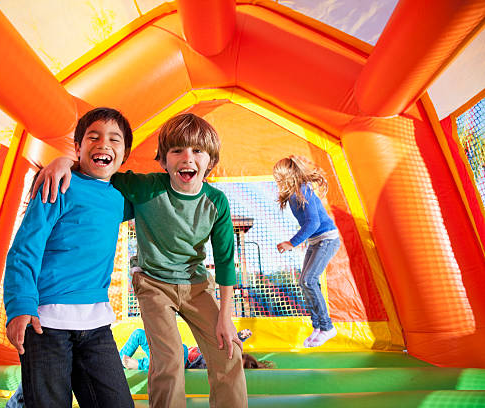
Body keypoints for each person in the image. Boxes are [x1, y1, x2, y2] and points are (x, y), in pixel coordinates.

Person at [33, 113, 248, 408]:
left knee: (229, 352)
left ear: (210, 161)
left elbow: (225, 262)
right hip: (153, 284)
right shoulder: (147, 188)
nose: (188, 159)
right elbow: (98, 168)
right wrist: (64, 162)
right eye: (177, 151)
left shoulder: (216, 202)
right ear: (163, 160)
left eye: (197, 151)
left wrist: (226, 317)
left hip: (196, 285)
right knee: (169, 359)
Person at [3, 107, 135, 408]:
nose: (104, 144)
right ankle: (24, 398)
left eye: (115, 140)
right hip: (45, 323)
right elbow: (25, 248)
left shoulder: (119, 198)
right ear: (78, 147)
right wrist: (19, 307)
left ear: (124, 154)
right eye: (93, 137)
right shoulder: (59, 185)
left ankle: (23, 397)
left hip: (96, 325)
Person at [273, 155, 340, 348]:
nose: (277, 180)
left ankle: (327, 327)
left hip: (326, 239)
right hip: (315, 241)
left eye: (279, 176)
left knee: (309, 280)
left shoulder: (303, 191)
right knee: (304, 281)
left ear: (289, 176)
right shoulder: (294, 195)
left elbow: (314, 222)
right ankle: (318, 328)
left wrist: (292, 243)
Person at [120, 328, 271, 370]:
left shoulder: (215, 363)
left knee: (183, 349)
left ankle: (139, 364)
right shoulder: (218, 350)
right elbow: (227, 343)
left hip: (178, 361)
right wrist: (240, 335)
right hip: (167, 354)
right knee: (139, 334)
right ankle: (118, 361)